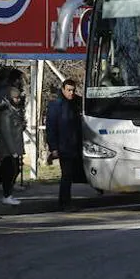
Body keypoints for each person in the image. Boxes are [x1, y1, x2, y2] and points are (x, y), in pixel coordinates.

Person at [46, 79, 84, 210]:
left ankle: (66, 201)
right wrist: (53, 148)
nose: (71, 93)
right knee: (66, 175)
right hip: (64, 146)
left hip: (75, 144)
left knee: (72, 174)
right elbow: (51, 127)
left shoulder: (76, 103)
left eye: (73, 90)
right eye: (68, 90)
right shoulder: (56, 105)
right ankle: (64, 202)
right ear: (63, 89)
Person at [0, 85, 26, 206]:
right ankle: (7, 195)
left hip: (14, 147)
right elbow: (7, 133)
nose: (18, 100)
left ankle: (9, 195)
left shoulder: (14, 111)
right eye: (15, 98)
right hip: (7, 149)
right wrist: (13, 151)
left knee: (14, 170)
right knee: (9, 172)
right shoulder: (6, 113)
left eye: (19, 98)